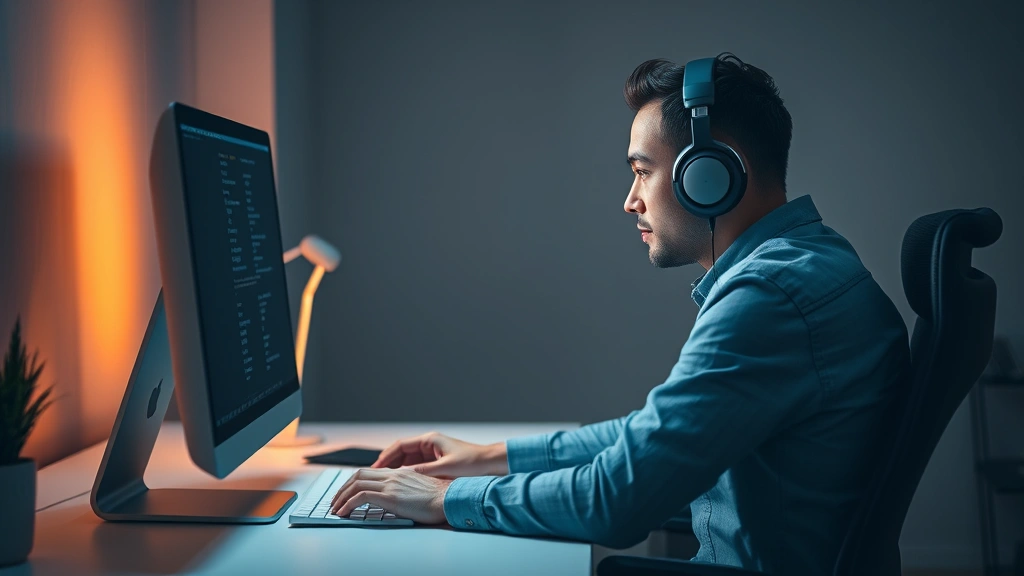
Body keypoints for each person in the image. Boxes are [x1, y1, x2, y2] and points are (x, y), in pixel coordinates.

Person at [329, 53, 910, 574]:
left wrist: (442, 500)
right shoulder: (809, 262)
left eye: (641, 171)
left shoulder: (769, 296)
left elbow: (616, 502)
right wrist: (484, 459)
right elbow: (648, 438)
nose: (630, 200)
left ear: (710, 174)